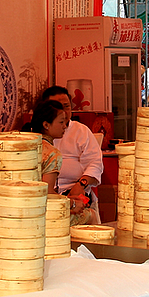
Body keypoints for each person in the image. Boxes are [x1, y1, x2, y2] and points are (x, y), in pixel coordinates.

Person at [35, 85, 102, 219]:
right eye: (58, 107)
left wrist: (81, 184)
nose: (64, 112)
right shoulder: (38, 144)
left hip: (76, 190)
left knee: (88, 212)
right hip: (46, 199)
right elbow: (46, 192)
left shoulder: (81, 131)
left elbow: (96, 164)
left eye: (66, 106)